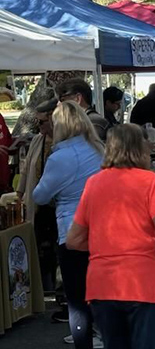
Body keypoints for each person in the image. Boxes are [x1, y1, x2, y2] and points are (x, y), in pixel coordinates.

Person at [66, 124, 155, 349]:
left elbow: (73, 240)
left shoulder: (94, 183)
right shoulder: (150, 181)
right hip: (143, 282)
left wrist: (104, 245)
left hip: (103, 283)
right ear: (140, 147)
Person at [33, 101, 103, 349]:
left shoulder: (60, 157)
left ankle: (84, 342)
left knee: (77, 298)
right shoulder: (98, 149)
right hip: (104, 228)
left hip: (73, 229)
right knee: (100, 292)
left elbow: (39, 195)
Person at [16, 98, 59, 292]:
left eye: (41, 122)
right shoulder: (37, 140)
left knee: (56, 245)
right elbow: (26, 168)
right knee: (40, 243)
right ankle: (44, 283)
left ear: (53, 119)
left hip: (58, 204)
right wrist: (20, 193)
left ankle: (56, 284)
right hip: (39, 202)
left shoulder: (62, 141)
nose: (38, 126)